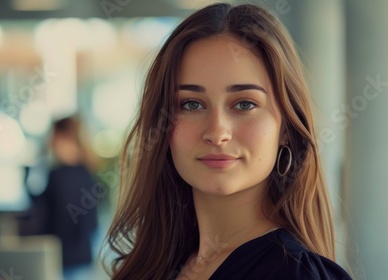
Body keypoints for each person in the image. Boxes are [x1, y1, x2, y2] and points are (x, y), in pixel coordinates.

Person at [105, 3, 352, 280]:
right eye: (191, 104)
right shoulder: (155, 267)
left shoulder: (297, 274)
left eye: (245, 104)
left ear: (285, 127)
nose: (217, 132)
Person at [41, 116, 98, 280]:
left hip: (63, 259)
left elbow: (56, 219)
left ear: (61, 137)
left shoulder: (59, 175)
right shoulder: (86, 172)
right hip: (82, 257)